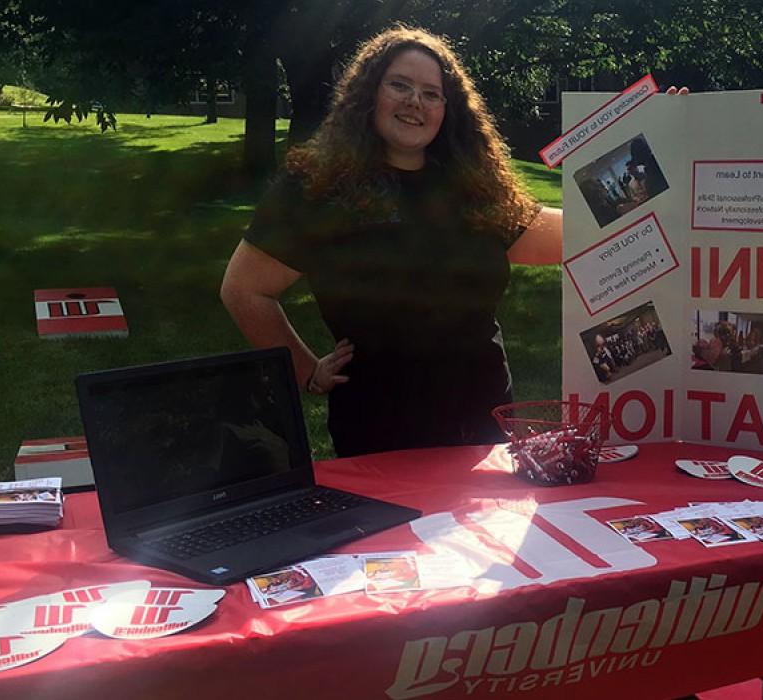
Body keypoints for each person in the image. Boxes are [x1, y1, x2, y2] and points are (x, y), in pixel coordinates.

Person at [220, 26, 565, 457]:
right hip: (379, 433)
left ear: (447, 109)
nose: (414, 101)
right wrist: (305, 369)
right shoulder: (315, 189)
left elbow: (578, 233)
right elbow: (245, 288)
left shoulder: (473, 187)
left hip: (485, 428)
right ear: (370, 94)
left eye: (431, 93)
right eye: (399, 85)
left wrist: (670, 137)